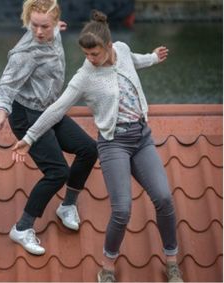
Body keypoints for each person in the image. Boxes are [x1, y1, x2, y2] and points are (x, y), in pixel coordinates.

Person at [12, 10, 183, 283]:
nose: (89, 60)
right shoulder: (85, 76)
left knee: (163, 198)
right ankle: (108, 267)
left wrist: (152, 58)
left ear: (109, 46)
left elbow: (132, 60)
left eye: (95, 54)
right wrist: (29, 137)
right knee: (122, 210)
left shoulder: (123, 50)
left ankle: (172, 262)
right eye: (86, 54)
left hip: (142, 138)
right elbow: (57, 109)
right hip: (114, 143)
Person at [0, 0, 98, 255]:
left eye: (44, 26)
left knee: (89, 149)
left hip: (50, 110)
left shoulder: (53, 31)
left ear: (55, 21)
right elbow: (5, 87)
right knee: (57, 172)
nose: (38, 32)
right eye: (34, 26)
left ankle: (67, 205)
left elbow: (52, 29)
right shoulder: (24, 54)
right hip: (26, 115)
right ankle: (22, 228)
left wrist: (57, 29)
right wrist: (1, 113)